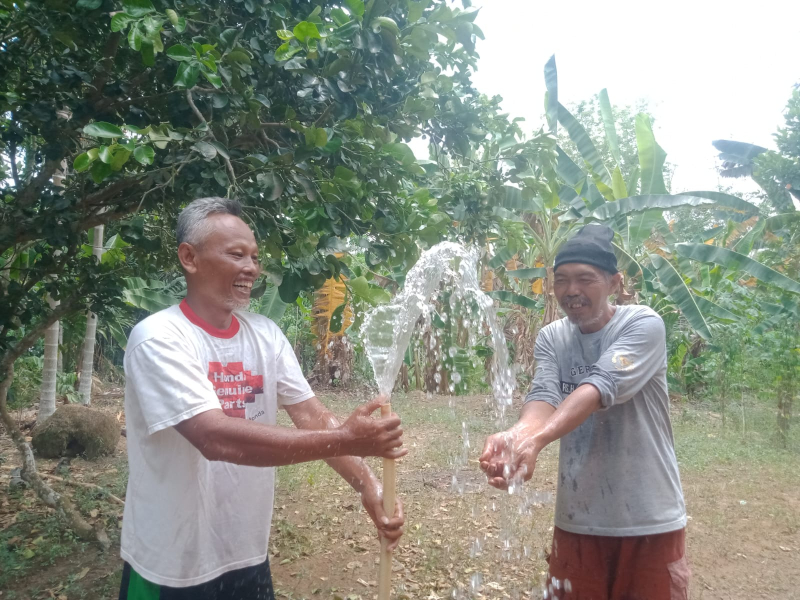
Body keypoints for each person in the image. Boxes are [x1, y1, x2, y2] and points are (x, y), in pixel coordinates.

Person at [119, 197, 406, 600]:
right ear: (190, 257)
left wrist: (367, 482)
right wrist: (347, 439)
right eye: (236, 255)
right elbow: (214, 437)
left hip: (246, 554)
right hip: (170, 565)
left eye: (254, 257)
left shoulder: (265, 334)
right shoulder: (158, 338)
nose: (251, 268)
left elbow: (310, 415)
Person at [479, 224, 690, 600]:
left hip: (649, 518)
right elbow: (544, 397)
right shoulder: (552, 337)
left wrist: (539, 440)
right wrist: (518, 437)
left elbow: (597, 387)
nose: (571, 291)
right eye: (561, 280)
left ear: (613, 282)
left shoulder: (643, 324)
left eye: (585, 279)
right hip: (577, 519)